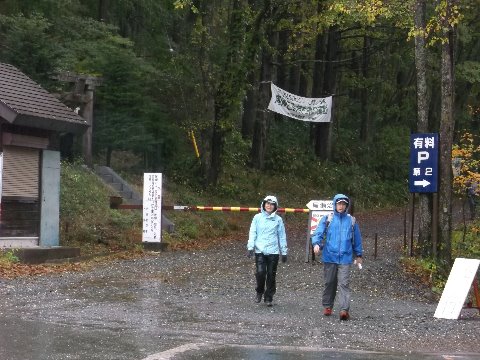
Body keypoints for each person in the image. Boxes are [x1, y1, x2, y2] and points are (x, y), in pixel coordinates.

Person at [311, 193, 363, 320]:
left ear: (347, 206)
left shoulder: (351, 221)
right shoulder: (328, 218)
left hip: (345, 257)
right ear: (335, 204)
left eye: (343, 204)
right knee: (330, 282)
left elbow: (357, 239)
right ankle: (328, 306)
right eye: (339, 204)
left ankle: (344, 310)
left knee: (344, 283)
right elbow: (318, 232)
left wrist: (359, 254)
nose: (341, 206)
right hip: (329, 256)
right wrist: (316, 244)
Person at [247, 195, 288, 307]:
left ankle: (269, 297)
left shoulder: (278, 220)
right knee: (260, 273)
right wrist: (250, 247)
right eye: (267, 203)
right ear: (264, 204)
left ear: (275, 206)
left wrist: (284, 252)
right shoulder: (257, 217)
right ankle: (259, 290)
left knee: (271, 275)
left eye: (272, 204)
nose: (269, 206)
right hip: (260, 250)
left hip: (273, 252)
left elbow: (282, 236)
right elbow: (252, 232)